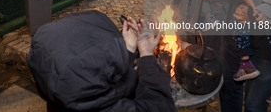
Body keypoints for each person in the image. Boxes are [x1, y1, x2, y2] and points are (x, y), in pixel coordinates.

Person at [28, 10, 175, 112]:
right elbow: (159, 106)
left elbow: (93, 73)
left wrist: (128, 51)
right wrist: (147, 56)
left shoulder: (60, 83)